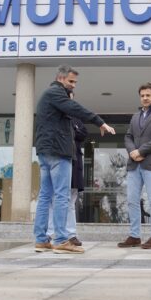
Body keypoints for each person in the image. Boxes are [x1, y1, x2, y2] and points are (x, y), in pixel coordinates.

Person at [34, 64, 115, 254]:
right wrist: (99, 121)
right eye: (71, 81)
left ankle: (41, 240)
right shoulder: (55, 93)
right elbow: (75, 107)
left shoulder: (50, 96)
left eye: (75, 82)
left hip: (46, 152)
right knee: (61, 196)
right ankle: (62, 240)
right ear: (61, 78)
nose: (74, 86)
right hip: (57, 152)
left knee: (46, 196)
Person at [117, 82, 151, 249]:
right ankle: (134, 236)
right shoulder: (135, 117)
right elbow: (128, 136)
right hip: (134, 164)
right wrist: (133, 151)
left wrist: (141, 151)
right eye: (142, 95)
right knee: (132, 200)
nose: (145, 98)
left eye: (148, 95)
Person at [47, 117, 88, 246]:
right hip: (57, 163)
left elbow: (83, 134)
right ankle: (49, 234)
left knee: (70, 203)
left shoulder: (76, 120)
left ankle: (71, 235)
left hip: (74, 165)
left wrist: (72, 129)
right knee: (54, 201)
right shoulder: (53, 118)